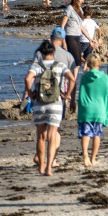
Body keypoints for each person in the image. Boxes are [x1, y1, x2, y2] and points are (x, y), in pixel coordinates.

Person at [24, 40, 76, 175]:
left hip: (39, 104)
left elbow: (27, 78)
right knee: (52, 136)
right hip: (55, 104)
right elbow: (72, 79)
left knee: (41, 137)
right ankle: (49, 168)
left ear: (41, 53)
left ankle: (41, 167)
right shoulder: (60, 66)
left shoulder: (36, 66)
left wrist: (30, 93)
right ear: (53, 52)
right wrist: (67, 95)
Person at [77, 53, 108, 168]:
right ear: (100, 64)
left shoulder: (85, 77)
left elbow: (81, 94)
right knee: (97, 135)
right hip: (100, 109)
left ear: (87, 63)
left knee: (86, 134)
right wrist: (107, 114)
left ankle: (85, 156)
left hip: (87, 109)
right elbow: (107, 96)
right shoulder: (105, 77)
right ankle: (93, 158)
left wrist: (80, 111)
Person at [61, 0, 89, 67]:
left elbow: (81, 26)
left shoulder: (80, 9)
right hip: (70, 36)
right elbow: (62, 26)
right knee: (77, 61)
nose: (83, 1)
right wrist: (64, 42)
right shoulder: (69, 8)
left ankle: (71, 77)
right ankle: (72, 78)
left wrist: (90, 38)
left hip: (78, 36)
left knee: (78, 60)